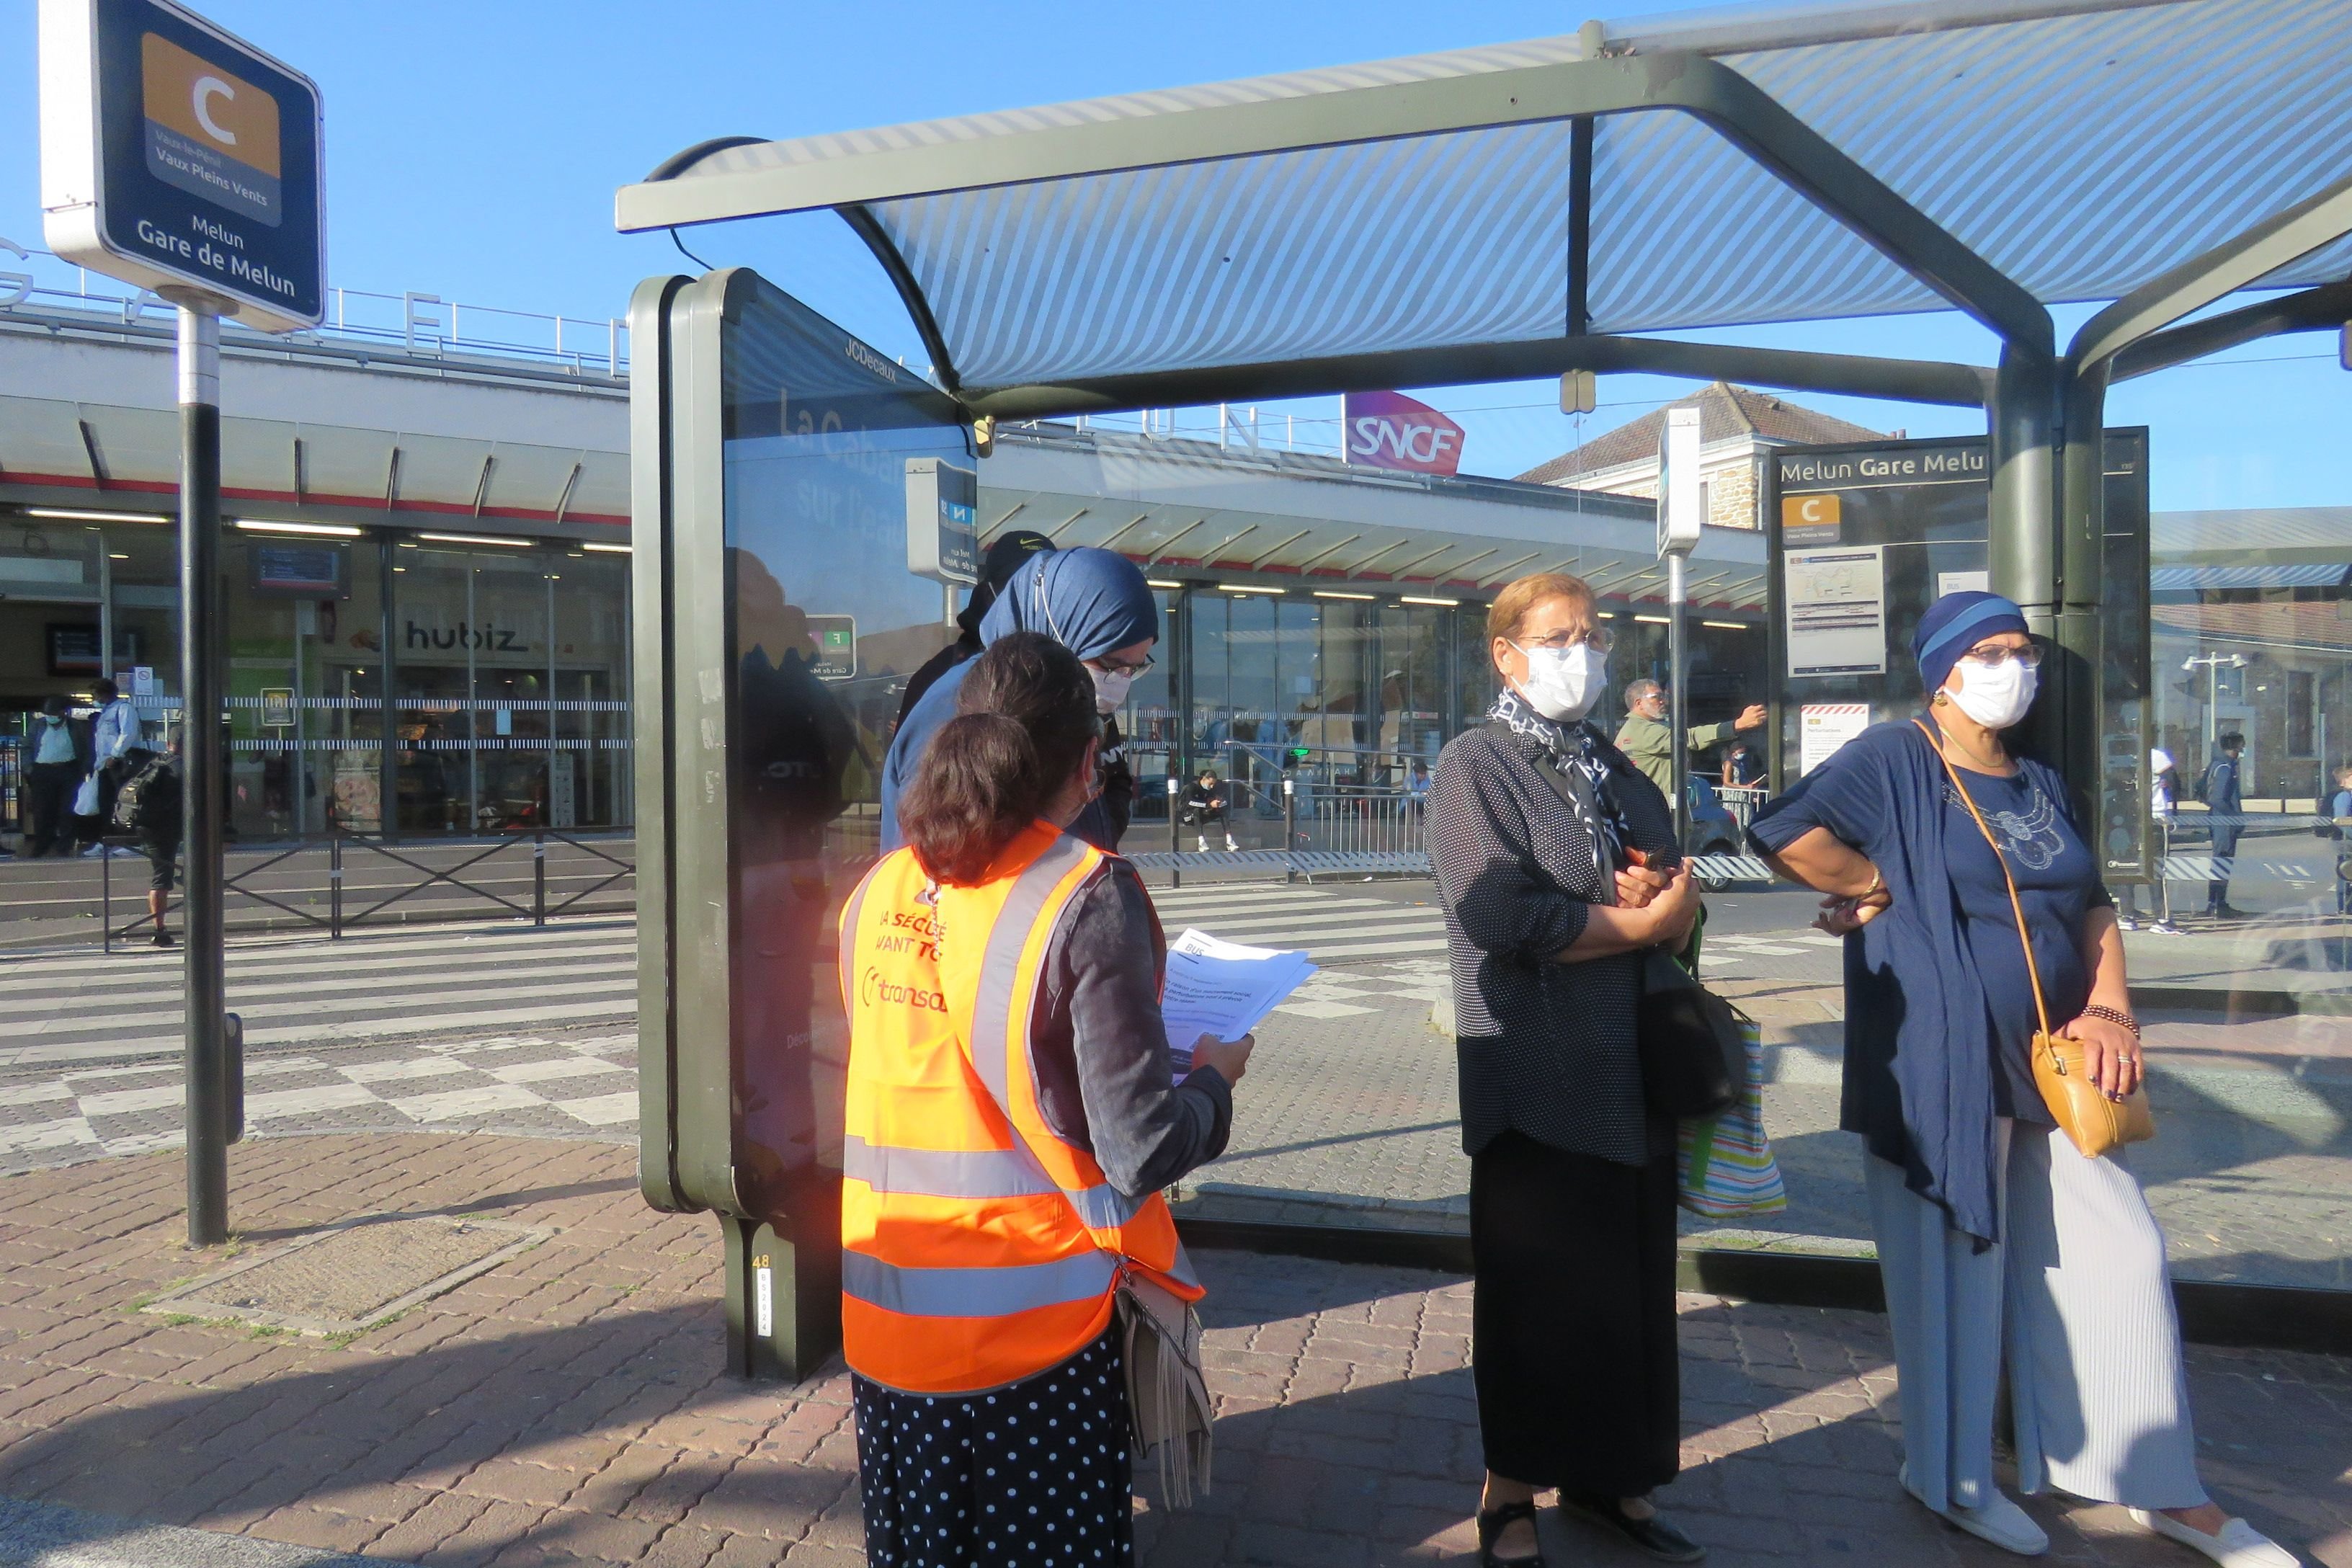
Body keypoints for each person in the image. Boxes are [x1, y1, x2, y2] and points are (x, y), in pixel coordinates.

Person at [1748, 590, 2294, 1566]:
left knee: (2121, 1255)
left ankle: (2163, 1486)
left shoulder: (2040, 780)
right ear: (1943, 671)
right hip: (1941, 1061)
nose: (2014, 668)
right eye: (1992, 652)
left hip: (2062, 1057)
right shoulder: (1895, 759)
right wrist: (1873, 886)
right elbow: (1786, 830)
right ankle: (1948, 1475)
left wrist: (2112, 1007)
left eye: (2023, 651)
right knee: (1955, 1275)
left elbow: (2090, 904)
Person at [842, 631, 1250, 1568]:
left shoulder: (879, 889)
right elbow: (1139, 1148)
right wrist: (1215, 1083)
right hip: (1029, 1344)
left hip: (887, 1325)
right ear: (1082, 762)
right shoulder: (1085, 894)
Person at [1429, 572, 1706, 1568]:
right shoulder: (1477, 764)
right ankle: (1509, 1491)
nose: (1580, 654)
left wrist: (1663, 889)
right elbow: (1501, 917)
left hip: (1634, 1070)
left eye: (1592, 637)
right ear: (1505, 653)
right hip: (1534, 1072)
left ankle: (1611, 1476)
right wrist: (1637, 921)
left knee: (1627, 1293)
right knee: (1536, 1296)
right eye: (1557, 637)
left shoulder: (1616, 767)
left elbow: (1679, 890)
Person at [880, 547, 1157, 855]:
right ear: (1058, 630)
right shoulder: (968, 700)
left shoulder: (1071, 701)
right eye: (1109, 663)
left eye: (1134, 668)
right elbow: (941, 850)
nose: (1120, 681)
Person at [893, 528, 1056, 728]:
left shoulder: (1079, 665)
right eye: (1017, 585)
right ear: (990, 595)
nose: (1035, 597)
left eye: (1048, 584)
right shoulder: (943, 678)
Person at [1614, 680, 1765, 801]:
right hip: (1655, 811)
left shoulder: (1631, 730)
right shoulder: (1643, 730)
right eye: (1656, 697)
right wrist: (1737, 725)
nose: (1663, 701)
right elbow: (1688, 738)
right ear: (1638, 703)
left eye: (1664, 696)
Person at [114, 738, 183, 947]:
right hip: (168, 827)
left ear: (169, 743)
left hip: (146, 825)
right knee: (164, 879)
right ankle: (161, 931)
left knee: (162, 875)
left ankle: (160, 930)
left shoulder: (155, 761)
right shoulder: (181, 766)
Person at [81, 677, 149, 856]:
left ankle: (129, 841)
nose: (94, 699)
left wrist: (116, 754)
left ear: (105, 694)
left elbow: (128, 733)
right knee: (106, 804)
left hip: (120, 763)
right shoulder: (106, 713)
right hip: (104, 764)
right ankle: (106, 840)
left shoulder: (124, 708)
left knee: (124, 803)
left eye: (95, 695)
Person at [2118, 749, 2183, 934]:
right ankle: (2161, 918)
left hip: (2126, 817)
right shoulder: (2156, 756)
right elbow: (2174, 783)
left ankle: (2127, 916)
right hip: (2154, 817)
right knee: (2156, 868)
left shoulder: (2119, 755)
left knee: (2127, 865)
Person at [23, 698, 86, 858]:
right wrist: (29, 769)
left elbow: (86, 748)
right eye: (47, 714)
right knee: (43, 810)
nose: (51, 717)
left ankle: (64, 846)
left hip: (69, 770)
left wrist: (84, 769)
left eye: (54, 713)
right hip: (43, 771)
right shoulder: (37, 726)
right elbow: (27, 747)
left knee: (67, 810)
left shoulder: (75, 726)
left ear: (62, 713)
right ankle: (42, 845)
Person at [2198, 733, 2248, 919]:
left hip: (2219, 819)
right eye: (2242, 745)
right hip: (2224, 822)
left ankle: (2218, 903)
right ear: (2237, 747)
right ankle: (2217, 905)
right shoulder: (2226, 767)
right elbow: (2217, 798)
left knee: (2221, 862)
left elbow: (2200, 791)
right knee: (2222, 861)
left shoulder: (2217, 764)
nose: (2243, 749)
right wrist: (2234, 817)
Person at [1180, 765, 1235, 852]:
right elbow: (1190, 803)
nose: (1212, 786)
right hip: (1188, 816)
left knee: (1223, 810)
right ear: (1204, 779)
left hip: (1203, 813)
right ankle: (1201, 842)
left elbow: (1224, 801)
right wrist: (1209, 805)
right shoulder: (1192, 787)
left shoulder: (1212, 789)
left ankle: (1229, 840)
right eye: (1211, 784)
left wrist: (1220, 802)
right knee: (1196, 810)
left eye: (1214, 784)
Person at [2326, 763, 2352, 917]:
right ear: (2345, 779)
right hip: (2345, 840)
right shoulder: (2343, 796)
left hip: (2345, 839)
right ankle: (2345, 908)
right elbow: (2342, 821)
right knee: (2346, 872)